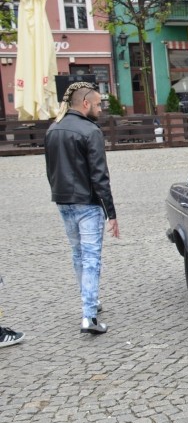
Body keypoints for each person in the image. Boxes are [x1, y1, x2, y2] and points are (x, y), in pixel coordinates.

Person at [45, 81, 120, 335]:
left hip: (63, 200)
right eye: (98, 104)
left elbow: (51, 171)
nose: (100, 109)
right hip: (87, 204)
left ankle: (92, 302)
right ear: (85, 103)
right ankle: (89, 316)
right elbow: (100, 175)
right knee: (91, 259)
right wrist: (111, 212)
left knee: (78, 255)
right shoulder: (90, 131)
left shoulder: (53, 129)